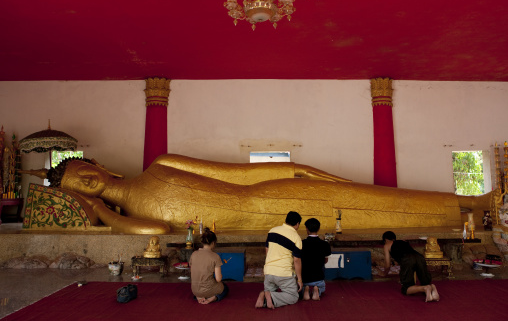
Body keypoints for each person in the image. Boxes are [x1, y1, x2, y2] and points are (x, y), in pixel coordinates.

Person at [22, 153, 498, 233]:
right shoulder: (129, 212)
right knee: (370, 214)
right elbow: (153, 229)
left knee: (383, 198)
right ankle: (464, 217)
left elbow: (235, 174)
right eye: (79, 187)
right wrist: (99, 210)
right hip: (258, 219)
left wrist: (299, 169)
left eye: (85, 173)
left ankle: (474, 204)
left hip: (267, 193)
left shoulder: (159, 164)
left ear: (97, 166)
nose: (88, 181)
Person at [256, 211, 303, 309]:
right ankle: (271, 296)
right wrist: (299, 279)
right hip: (284, 274)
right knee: (293, 296)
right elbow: (297, 260)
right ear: (297, 224)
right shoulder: (296, 237)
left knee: (269, 292)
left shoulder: (272, 231)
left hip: (268, 272)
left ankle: (266, 295)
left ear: (286, 220)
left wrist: (268, 266)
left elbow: (267, 251)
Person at [381, 231, 439, 302]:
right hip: (419, 257)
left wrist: (384, 273)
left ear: (385, 239)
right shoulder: (403, 242)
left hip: (408, 259)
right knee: (425, 281)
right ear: (394, 238)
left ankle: (425, 288)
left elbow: (387, 265)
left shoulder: (387, 245)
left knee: (406, 288)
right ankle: (432, 287)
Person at [189, 227, 228, 304]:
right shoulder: (215, 256)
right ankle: (212, 298)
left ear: (202, 242)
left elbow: (192, 272)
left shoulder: (194, 254)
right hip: (209, 290)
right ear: (213, 243)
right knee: (225, 288)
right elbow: (218, 279)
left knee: (203, 286)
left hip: (195, 290)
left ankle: (198, 297)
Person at [301, 218, 331, 301]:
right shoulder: (325, 244)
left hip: (305, 278)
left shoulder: (301, 243)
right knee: (322, 287)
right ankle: (317, 289)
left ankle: (305, 289)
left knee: (300, 286)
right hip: (318, 277)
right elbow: (326, 261)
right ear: (318, 229)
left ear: (307, 229)